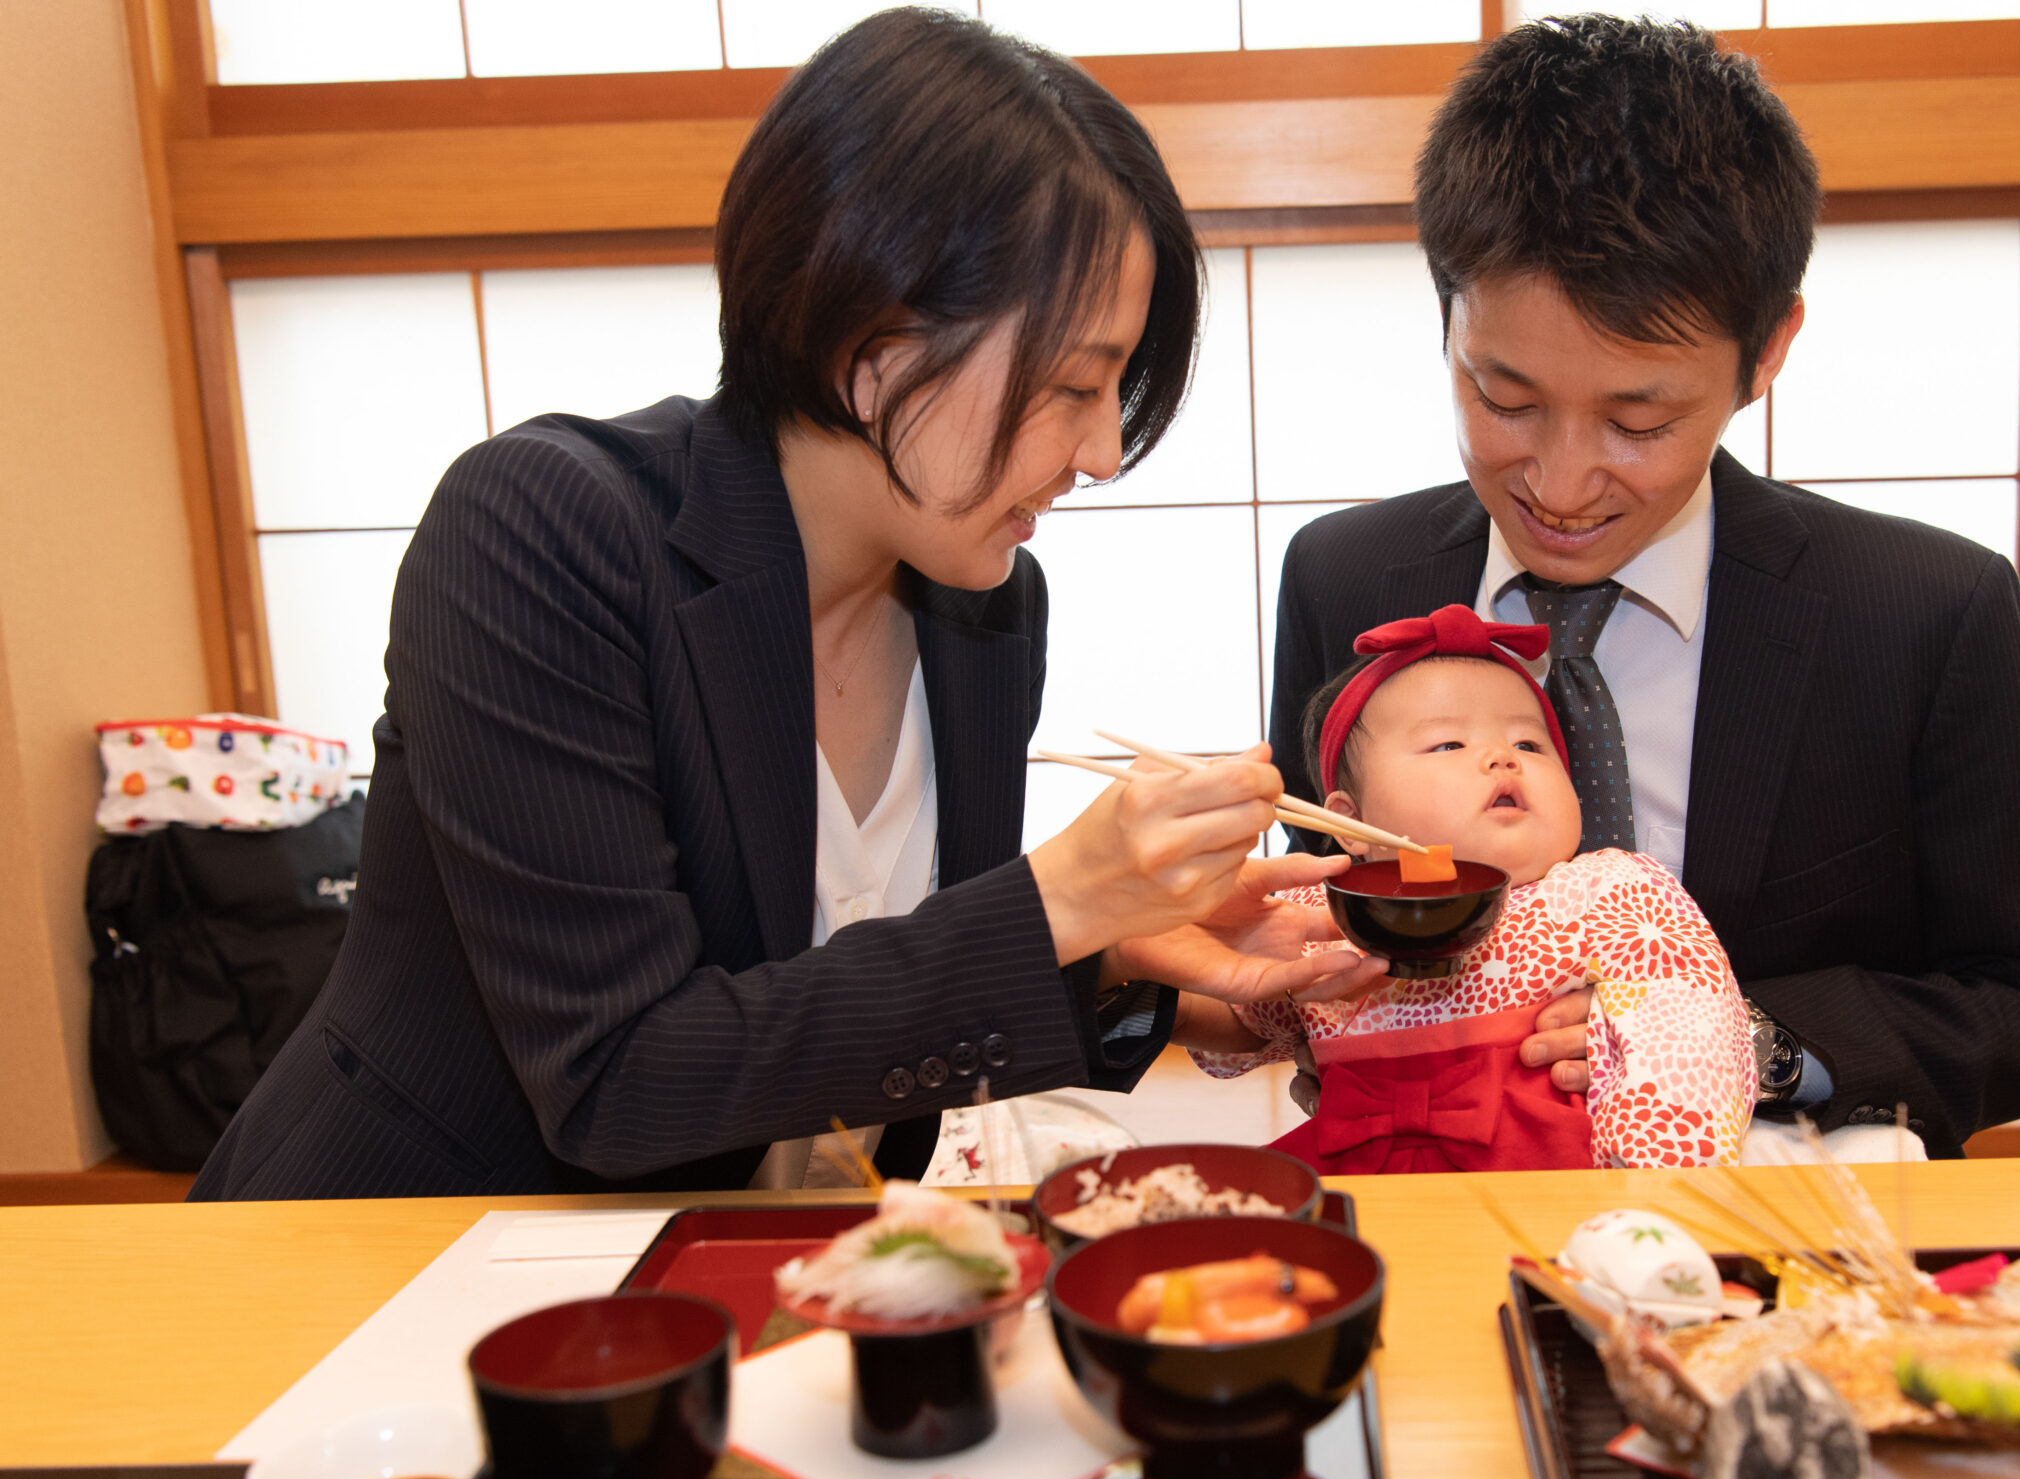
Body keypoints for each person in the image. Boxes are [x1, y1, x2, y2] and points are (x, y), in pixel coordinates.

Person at [191, 10, 1378, 1202]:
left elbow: (834, 1004)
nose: (1103, 454)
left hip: (731, 1260)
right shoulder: (544, 535)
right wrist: (1057, 898)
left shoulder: (987, 611)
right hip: (392, 1253)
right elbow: (617, 1077)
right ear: (871, 338)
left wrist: (1118, 951)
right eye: (1072, 384)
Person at [1267, 15, 2020, 1158]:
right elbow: (1326, 901)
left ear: (1767, 352)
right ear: (1446, 319)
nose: (1561, 483)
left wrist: (1741, 1041)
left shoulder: (1923, 612)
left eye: (1640, 419)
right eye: (1503, 398)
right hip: (1432, 1203)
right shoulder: (1349, 575)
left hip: (1784, 1235)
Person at [1187, 605, 1757, 1173]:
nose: (1501, 757)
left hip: (1553, 1189)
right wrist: (1188, 927)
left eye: (1531, 746)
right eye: (1448, 745)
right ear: (1348, 822)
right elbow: (1243, 1016)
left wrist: (1654, 1195)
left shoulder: (1612, 892)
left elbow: (1686, 1040)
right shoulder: (1323, 909)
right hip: (1353, 1180)